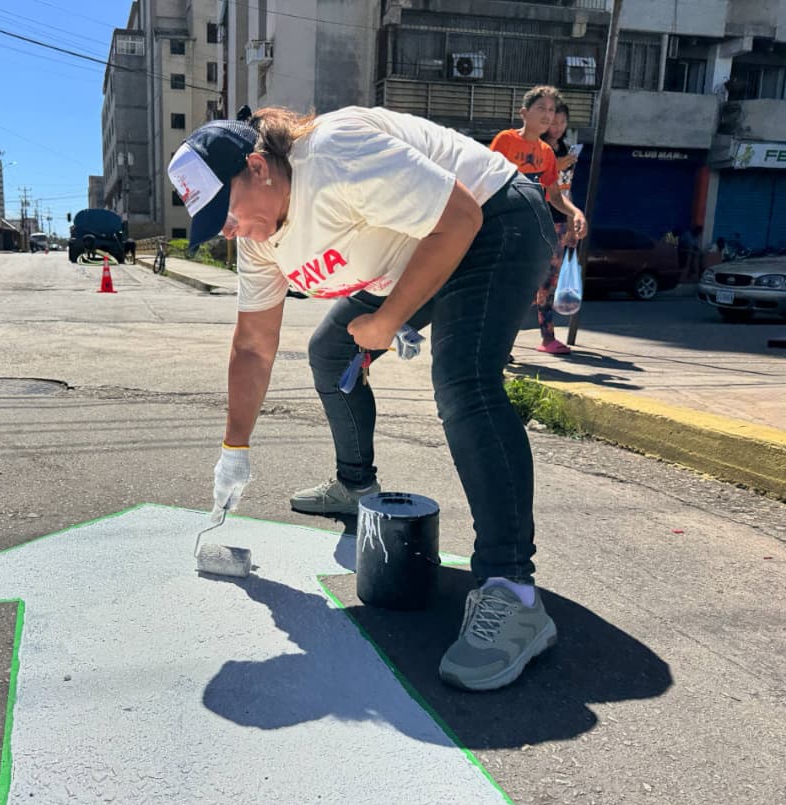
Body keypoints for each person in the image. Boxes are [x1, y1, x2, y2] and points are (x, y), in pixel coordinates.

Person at [168, 105, 569, 691]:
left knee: (464, 380)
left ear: (259, 167)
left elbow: (458, 218)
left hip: (495, 218)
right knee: (331, 351)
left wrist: (391, 319)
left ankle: (512, 593)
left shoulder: (335, 154)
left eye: (224, 212)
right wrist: (235, 447)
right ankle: (356, 485)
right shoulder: (260, 243)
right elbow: (254, 344)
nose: (227, 231)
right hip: (419, 253)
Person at [490, 87, 588, 355]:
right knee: (503, 288)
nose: (548, 115)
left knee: (534, 286)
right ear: (524, 112)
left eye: (552, 110)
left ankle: (519, 342)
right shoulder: (506, 141)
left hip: (534, 230)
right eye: (541, 109)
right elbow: (488, 182)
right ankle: (497, 345)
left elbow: (554, 195)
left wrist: (575, 213)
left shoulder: (546, 152)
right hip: (504, 228)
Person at [539, 102, 580, 346]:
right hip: (537, 220)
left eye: (563, 122)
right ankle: (505, 342)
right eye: (554, 121)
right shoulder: (537, 148)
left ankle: (548, 336)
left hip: (558, 222)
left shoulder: (566, 149)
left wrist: (571, 220)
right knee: (525, 282)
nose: (558, 127)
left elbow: (565, 189)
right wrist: (555, 166)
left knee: (549, 282)